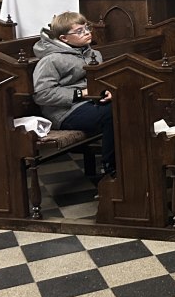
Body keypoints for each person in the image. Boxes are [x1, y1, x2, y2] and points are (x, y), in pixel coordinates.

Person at [32, 13, 116, 180]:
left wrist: (106, 91)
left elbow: (99, 80)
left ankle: (130, 163)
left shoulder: (93, 54)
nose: (87, 32)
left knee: (126, 105)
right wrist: (80, 93)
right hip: (64, 112)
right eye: (79, 31)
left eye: (87, 28)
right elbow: (42, 94)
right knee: (112, 114)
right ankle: (110, 171)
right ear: (64, 38)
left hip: (90, 103)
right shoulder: (51, 60)